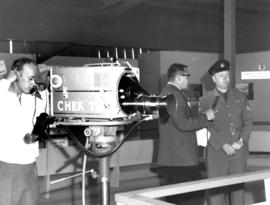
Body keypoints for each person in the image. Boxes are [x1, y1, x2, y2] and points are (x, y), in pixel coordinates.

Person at [156, 63, 215, 205]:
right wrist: (206, 117)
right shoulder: (174, 95)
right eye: (187, 76)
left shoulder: (167, 92)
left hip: (173, 156)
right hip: (182, 157)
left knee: (176, 197)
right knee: (194, 195)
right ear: (178, 78)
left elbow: (177, 121)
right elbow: (184, 124)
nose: (189, 79)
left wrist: (196, 115)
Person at [199, 59, 253, 205]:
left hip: (238, 152)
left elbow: (247, 122)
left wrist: (241, 140)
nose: (226, 79)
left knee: (238, 195)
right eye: (222, 76)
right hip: (216, 154)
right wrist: (223, 145)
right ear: (213, 78)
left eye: (227, 75)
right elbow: (205, 127)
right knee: (216, 195)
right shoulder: (205, 100)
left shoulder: (240, 96)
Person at [0, 57, 48, 205]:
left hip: (30, 165)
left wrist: (43, 86)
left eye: (35, 78)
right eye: (30, 78)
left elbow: (43, 112)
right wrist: (5, 81)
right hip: (8, 165)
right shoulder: (3, 96)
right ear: (16, 74)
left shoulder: (30, 98)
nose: (32, 83)